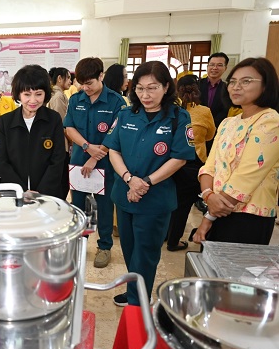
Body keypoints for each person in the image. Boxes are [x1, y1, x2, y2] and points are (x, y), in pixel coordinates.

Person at [103, 61, 195, 306]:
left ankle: (138, 301)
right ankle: (135, 291)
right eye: (140, 88)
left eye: (152, 88)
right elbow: (113, 150)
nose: (146, 95)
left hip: (155, 199)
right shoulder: (126, 114)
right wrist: (129, 179)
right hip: (124, 194)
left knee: (146, 253)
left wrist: (145, 183)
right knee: (129, 249)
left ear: (166, 87)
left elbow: (179, 158)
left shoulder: (178, 117)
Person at [193, 57, 279, 246]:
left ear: (266, 86)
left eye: (246, 81)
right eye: (232, 81)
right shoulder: (228, 123)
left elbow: (246, 177)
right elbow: (209, 166)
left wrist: (209, 217)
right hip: (217, 208)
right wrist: (208, 195)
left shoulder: (271, 122)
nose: (236, 87)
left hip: (249, 216)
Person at [64, 58, 126, 268]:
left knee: (105, 207)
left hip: (105, 164)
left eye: (89, 83)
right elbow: (69, 128)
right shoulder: (76, 99)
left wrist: (94, 157)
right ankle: (79, 244)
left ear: (101, 76)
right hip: (79, 162)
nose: (85, 88)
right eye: (81, 83)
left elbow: (115, 134)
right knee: (78, 206)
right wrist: (86, 147)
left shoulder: (117, 102)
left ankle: (105, 246)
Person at [0, 64, 66, 198]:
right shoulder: (5, 122)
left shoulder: (54, 119)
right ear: (18, 94)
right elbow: (1, 161)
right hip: (14, 193)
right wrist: (21, 190)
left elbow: (57, 159)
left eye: (38, 94)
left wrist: (40, 193)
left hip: (47, 193)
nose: (33, 100)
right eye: (27, 94)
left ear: (45, 94)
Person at [165, 75, 215, 251]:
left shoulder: (171, 110)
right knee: (183, 205)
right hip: (194, 161)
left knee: (169, 200)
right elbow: (210, 135)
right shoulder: (204, 111)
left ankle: (164, 234)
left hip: (170, 161)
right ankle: (174, 241)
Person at [47, 67, 72, 199]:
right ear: (59, 79)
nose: (71, 81)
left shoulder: (59, 95)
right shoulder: (58, 97)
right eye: (68, 78)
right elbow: (62, 125)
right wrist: (73, 140)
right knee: (62, 181)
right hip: (62, 144)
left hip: (61, 143)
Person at [200, 52, 229, 129]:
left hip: (218, 128)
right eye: (212, 64)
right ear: (207, 66)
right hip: (197, 127)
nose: (215, 68)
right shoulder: (196, 85)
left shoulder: (228, 89)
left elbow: (225, 110)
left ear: (225, 68)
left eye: (219, 65)